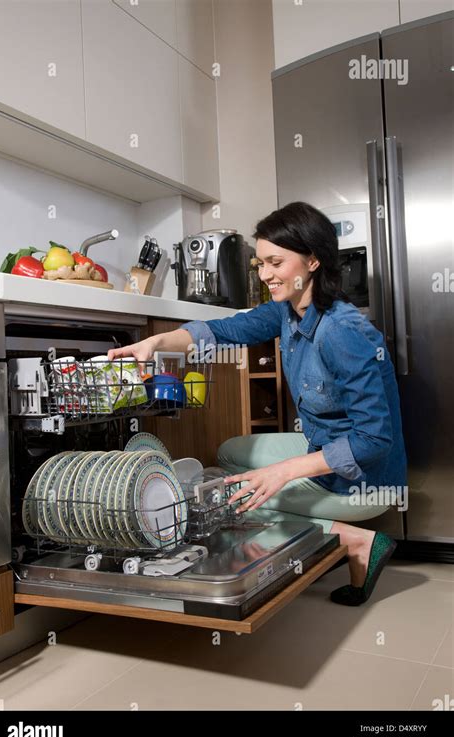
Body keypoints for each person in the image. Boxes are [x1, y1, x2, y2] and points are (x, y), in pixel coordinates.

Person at [108, 201, 407, 606]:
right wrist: (156, 342)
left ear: (313, 260)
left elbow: (375, 440)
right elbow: (223, 330)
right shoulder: (289, 311)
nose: (265, 274)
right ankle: (335, 533)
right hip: (323, 449)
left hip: (367, 479)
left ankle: (358, 541)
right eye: (260, 263)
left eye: (276, 262)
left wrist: (283, 472)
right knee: (229, 454)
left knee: (236, 494)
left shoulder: (343, 332)